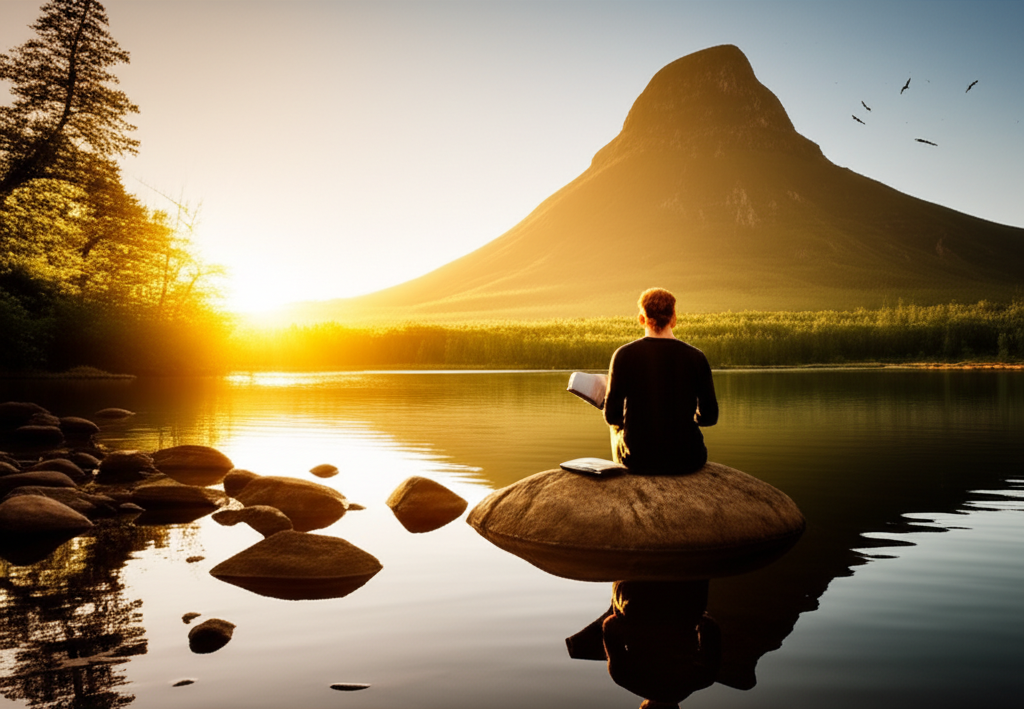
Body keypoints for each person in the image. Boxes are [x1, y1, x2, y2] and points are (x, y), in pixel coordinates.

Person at [603, 288, 718, 474]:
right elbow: (710, 417)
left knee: (617, 432)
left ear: (641, 319)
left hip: (638, 460)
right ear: (674, 319)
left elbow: (612, 416)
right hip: (688, 458)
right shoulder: (696, 357)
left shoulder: (623, 355)